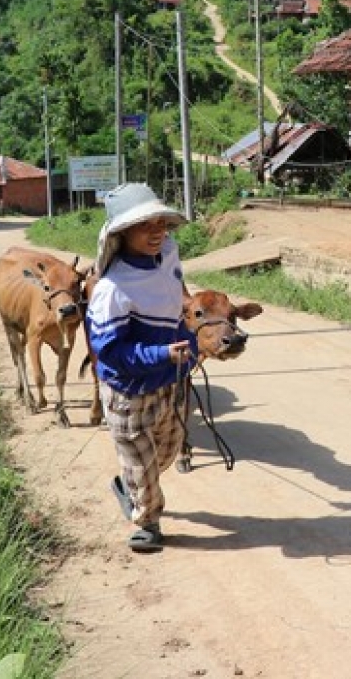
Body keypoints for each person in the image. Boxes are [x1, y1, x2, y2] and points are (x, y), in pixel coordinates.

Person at [87, 183, 199, 553]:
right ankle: (147, 521)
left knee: (167, 451)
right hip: (128, 392)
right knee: (142, 463)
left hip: (170, 382)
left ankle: (132, 486)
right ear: (121, 233)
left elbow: (176, 309)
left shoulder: (168, 255)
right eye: (144, 225)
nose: (156, 232)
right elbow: (112, 353)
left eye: (161, 223)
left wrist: (189, 346)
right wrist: (162, 354)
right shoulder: (112, 291)